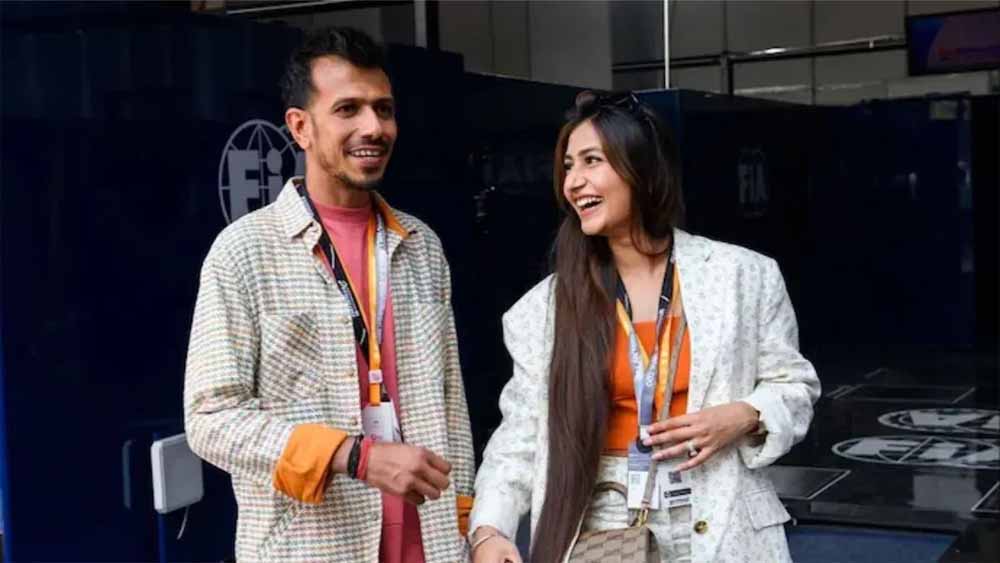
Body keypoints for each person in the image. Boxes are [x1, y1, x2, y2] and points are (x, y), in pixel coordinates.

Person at [467, 91, 821, 563]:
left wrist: (745, 415)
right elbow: (521, 435)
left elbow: (795, 386)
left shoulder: (744, 275)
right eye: (568, 166)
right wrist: (489, 530)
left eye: (591, 161)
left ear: (642, 168)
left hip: (725, 516)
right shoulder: (543, 310)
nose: (573, 181)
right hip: (607, 527)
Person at [184, 27, 474, 563]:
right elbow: (210, 419)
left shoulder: (421, 245)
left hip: (430, 543)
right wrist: (353, 456)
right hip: (311, 546)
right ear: (301, 127)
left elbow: (450, 400)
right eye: (348, 109)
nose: (373, 127)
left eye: (383, 109)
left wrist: (467, 522)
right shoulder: (245, 252)